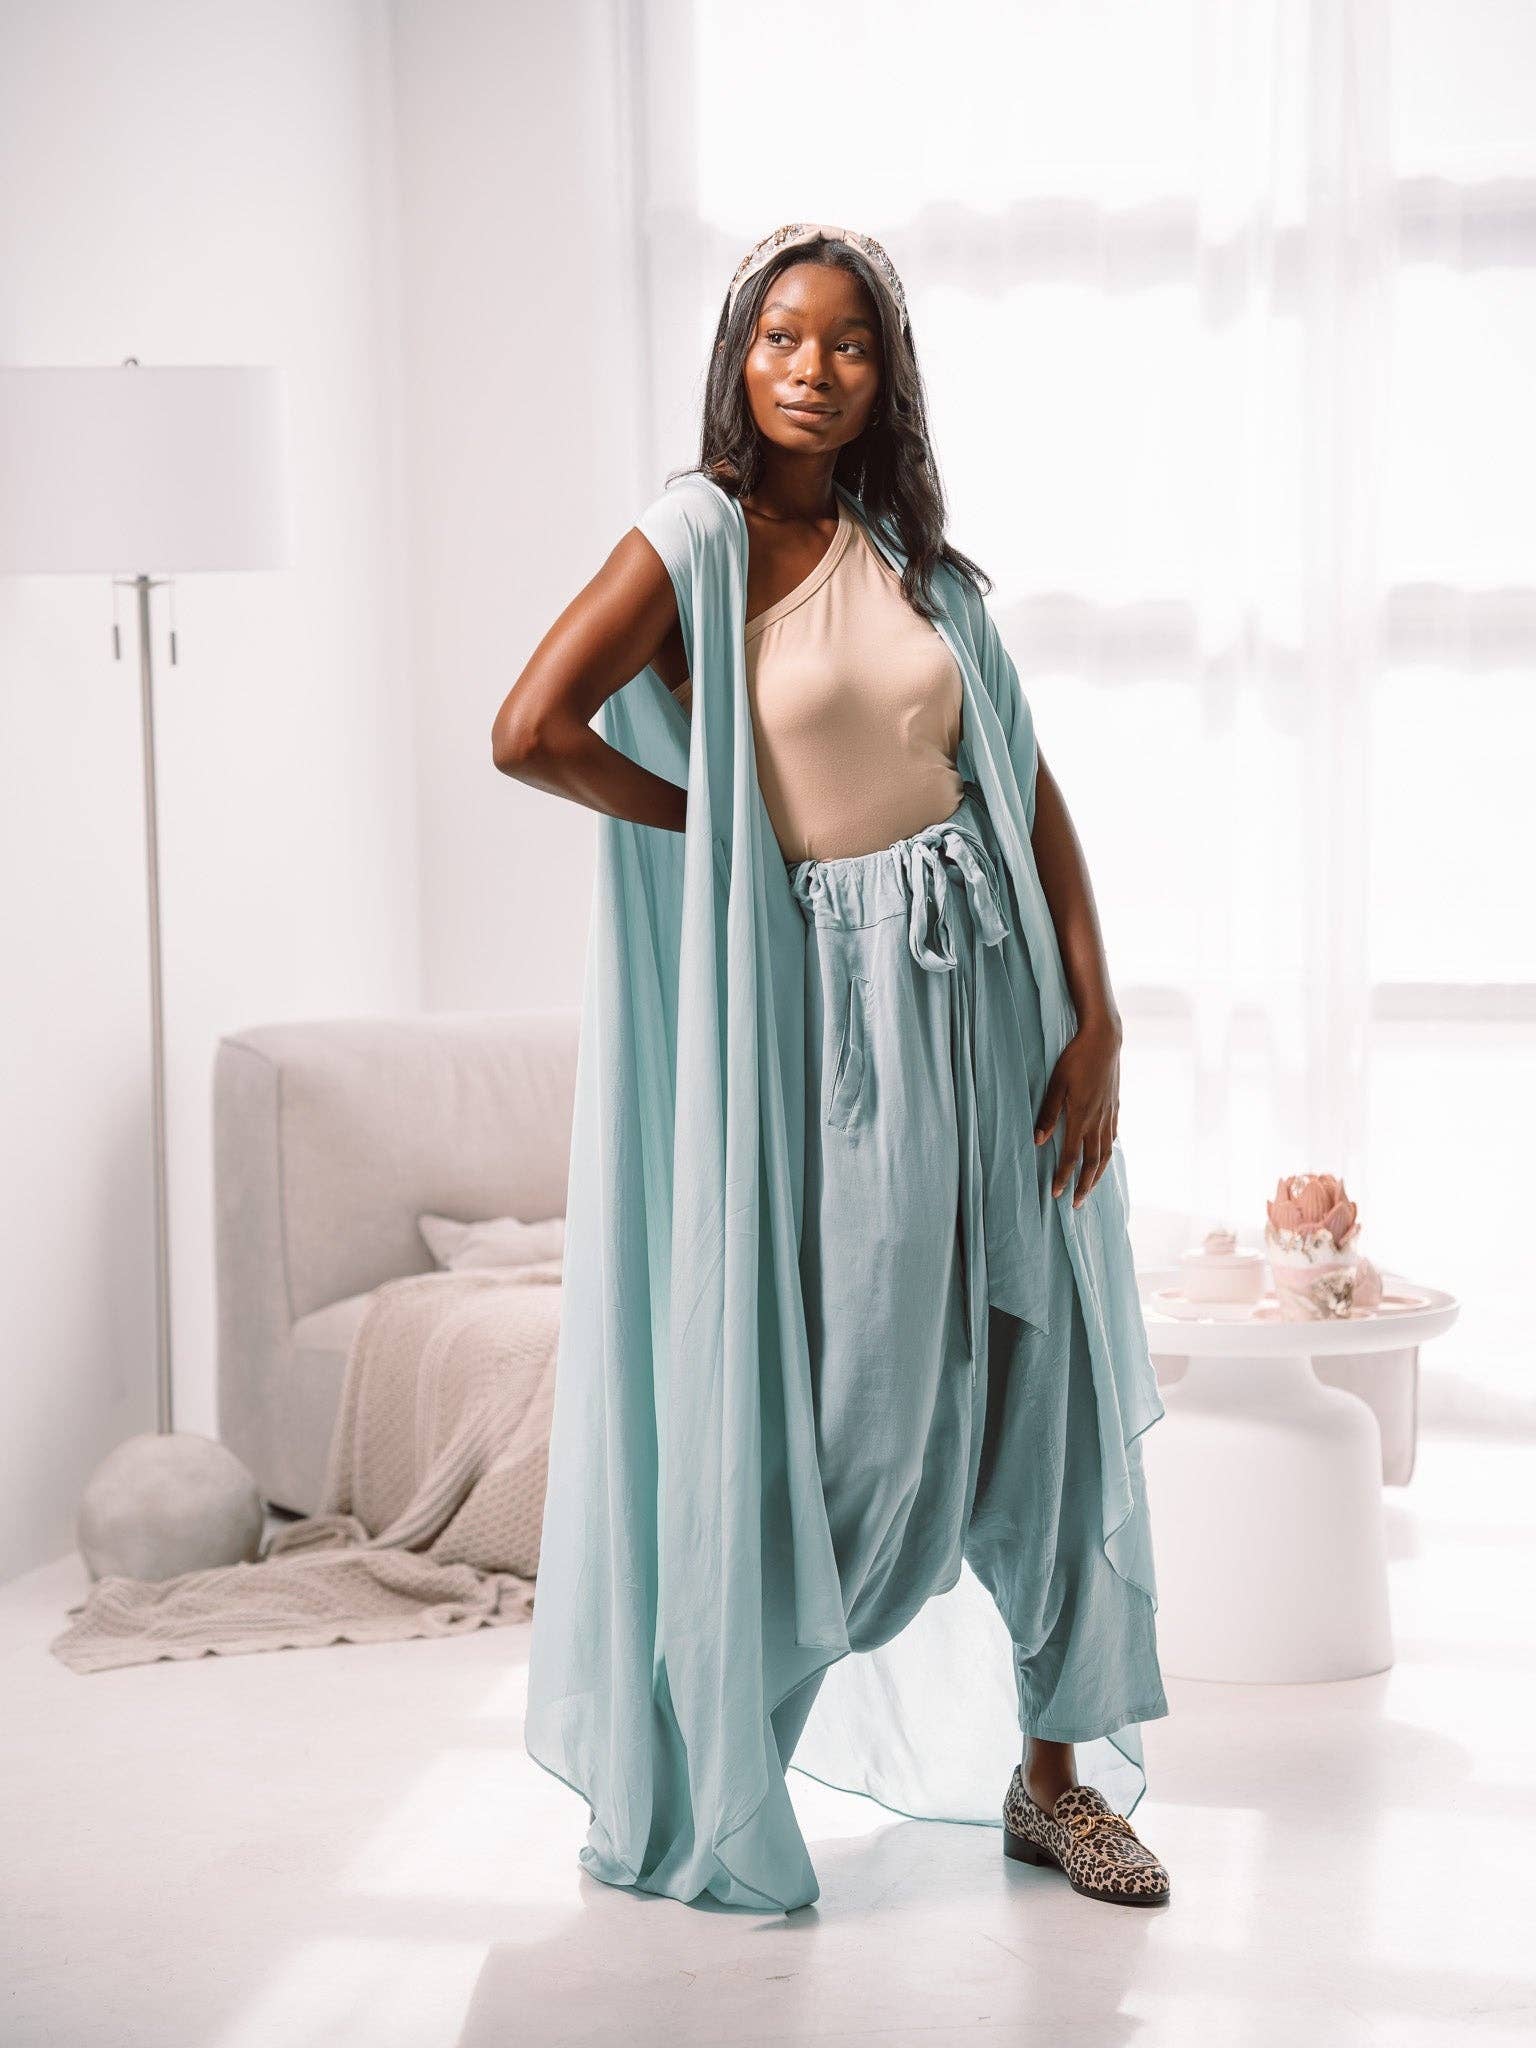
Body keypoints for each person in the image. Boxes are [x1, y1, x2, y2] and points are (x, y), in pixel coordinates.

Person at [496, 223, 1172, 1913]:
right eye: (782, 337)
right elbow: (530, 729)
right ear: (739, 359)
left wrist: (1096, 1024)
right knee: (865, 1414)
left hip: (1002, 1000)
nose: (813, 368)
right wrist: (715, 827)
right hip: (843, 1021)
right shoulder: (697, 538)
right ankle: (716, 1755)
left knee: (1055, 1394)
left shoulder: (922, 566)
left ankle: (1055, 1787)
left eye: (849, 343)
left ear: (888, 374)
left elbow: (1025, 787)